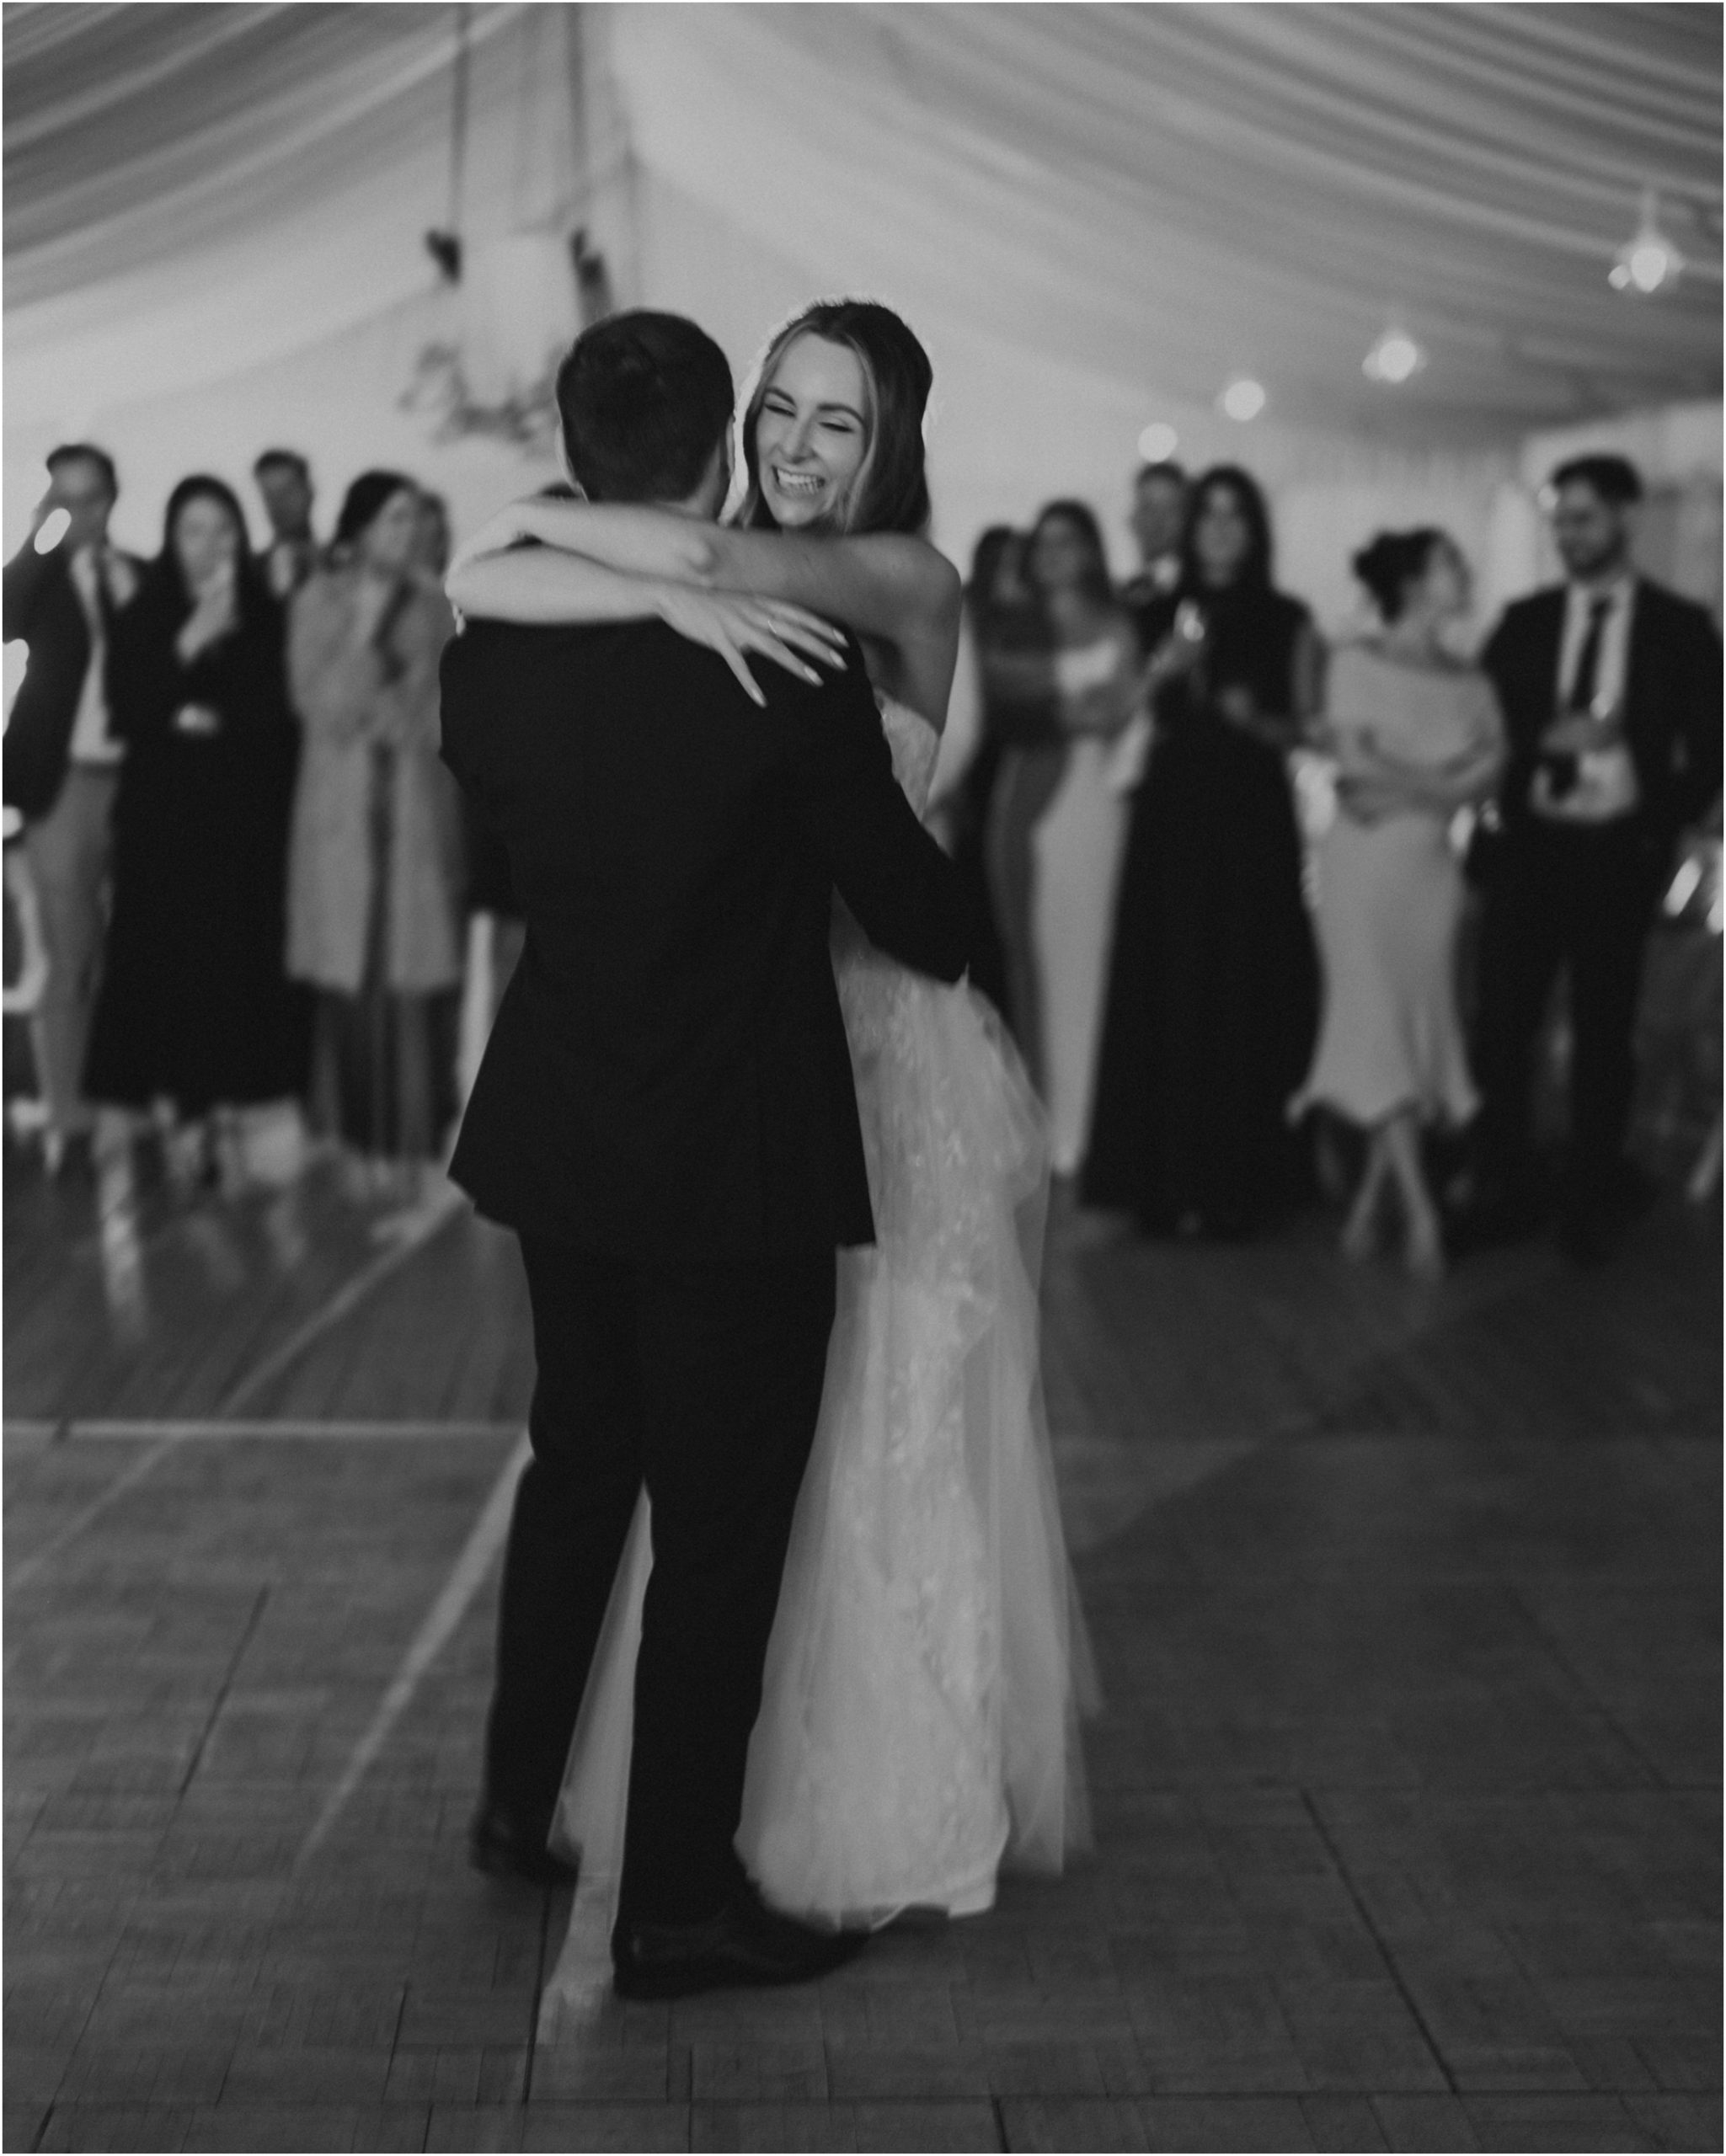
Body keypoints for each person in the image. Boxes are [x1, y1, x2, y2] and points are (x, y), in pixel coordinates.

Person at [447, 298, 1093, 1977]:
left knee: (806, 1462)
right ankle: (656, 1875)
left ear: (896, 446)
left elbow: (496, 563)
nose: (802, 453)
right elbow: (493, 558)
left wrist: (655, 572)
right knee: (699, 1488)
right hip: (742, 1090)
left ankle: (575, 1804)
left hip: (785, 1072)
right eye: (784, 416)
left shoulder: (889, 590)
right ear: (735, 422)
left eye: (840, 424)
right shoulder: (737, 611)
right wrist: (672, 578)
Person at [1472, 454, 1722, 1261]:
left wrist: (1654, 821)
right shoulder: (1524, 621)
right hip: (1530, 851)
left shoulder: (1680, 628)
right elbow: (1482, 737)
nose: (1567, 536)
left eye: (1581, 519)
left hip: (1618, 853)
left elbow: (1713, 750)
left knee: (1603, 1030)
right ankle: (1500, 1184)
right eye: (1558, 521)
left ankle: (1586, 1194)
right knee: (1503, 1026)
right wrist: (1540, 747)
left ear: (1623, 518)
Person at [1084, 465, 1323, 1236]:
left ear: (1253, 530)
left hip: (1252, 819)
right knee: (1168, 982)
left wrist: (1257, 720)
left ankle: (1238, 1188)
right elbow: (1108, 711)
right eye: (1207, 515)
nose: (1219, 528)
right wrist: (1165, 670)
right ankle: (1157, 1184)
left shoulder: (1286, 616)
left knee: (1246, 988)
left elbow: (1307, 726)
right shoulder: (1150, 610)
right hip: (1172, 816)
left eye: (1234, 516)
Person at [1291, 531, 1504, 1279]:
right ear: (1413, 581)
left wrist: (1409, 786)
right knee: (1375, 1023)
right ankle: (1419, 1211)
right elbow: (1351, 762)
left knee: (1416, 1023)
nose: (1465, 573)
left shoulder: (1470, 678)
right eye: (1452, 562)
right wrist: (1444, 778)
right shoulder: (1354, 661)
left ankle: (1371, 1198)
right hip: (1359, 868)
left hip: (1428, 869)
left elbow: (1492, 771)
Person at [82, 477, 309, 1168]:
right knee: (165, 964)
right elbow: (128, 710)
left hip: (244, 825)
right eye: (193, 530)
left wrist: (197, 713)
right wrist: (189, 644)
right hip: (163, 828)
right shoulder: (147, 612)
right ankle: (177, 1106)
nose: (209, 545)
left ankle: (230, 1104)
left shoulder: (267, 613)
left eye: (223, 530)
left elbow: (275, 717)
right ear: (171, 538)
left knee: (236, 961)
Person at [286, 472, 465, 1194]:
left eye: (415, 520)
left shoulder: (434, 608)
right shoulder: (317, 601)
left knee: (411, 979)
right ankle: (355, 1143)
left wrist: (395, 716)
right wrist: (360, 634)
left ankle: (414, 1145)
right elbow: (318, 701)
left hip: (414, 810)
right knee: (350, 978)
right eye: (393, 519)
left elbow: (439, 712)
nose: (408, 533)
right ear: (358, 527)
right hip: (339, 815)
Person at [982, 501, 1143, 1171]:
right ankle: (1045, 1121)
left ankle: (1091, 1126)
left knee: (1094, 955)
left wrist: (1108, 704)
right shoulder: (1013, 626)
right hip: (1032, 795)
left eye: (1066, 541)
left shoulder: (1116, 623)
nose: (1052, 553)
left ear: (1089, 550)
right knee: (1037, 953)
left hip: (1098, 800)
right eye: (1041, 542)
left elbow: (1120, 718)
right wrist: (1107, 700)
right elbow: (1024, 702)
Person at [1, 445, 143, 1176]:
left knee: (138, 946)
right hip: (62, 787)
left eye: (90, 498)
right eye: (64, 499)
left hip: (141, 786)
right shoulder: (37, 580)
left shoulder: (141, 576)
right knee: (68, 953)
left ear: (113, 499)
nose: (79, 512)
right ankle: (67, 1111)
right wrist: (38, 538)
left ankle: (131, 1103)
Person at [1120, 459, 1188, 641]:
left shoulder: (1198, 595)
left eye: (1170, 509)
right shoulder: (1122, 597)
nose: (1157, 521)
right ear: (1133, 519)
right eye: (1148, 507)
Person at [252, 450, 320, 601]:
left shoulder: (341, 565)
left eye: (287, 492)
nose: (279, 504)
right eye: (269, 496)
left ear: (309, 492)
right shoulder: (250, 575)